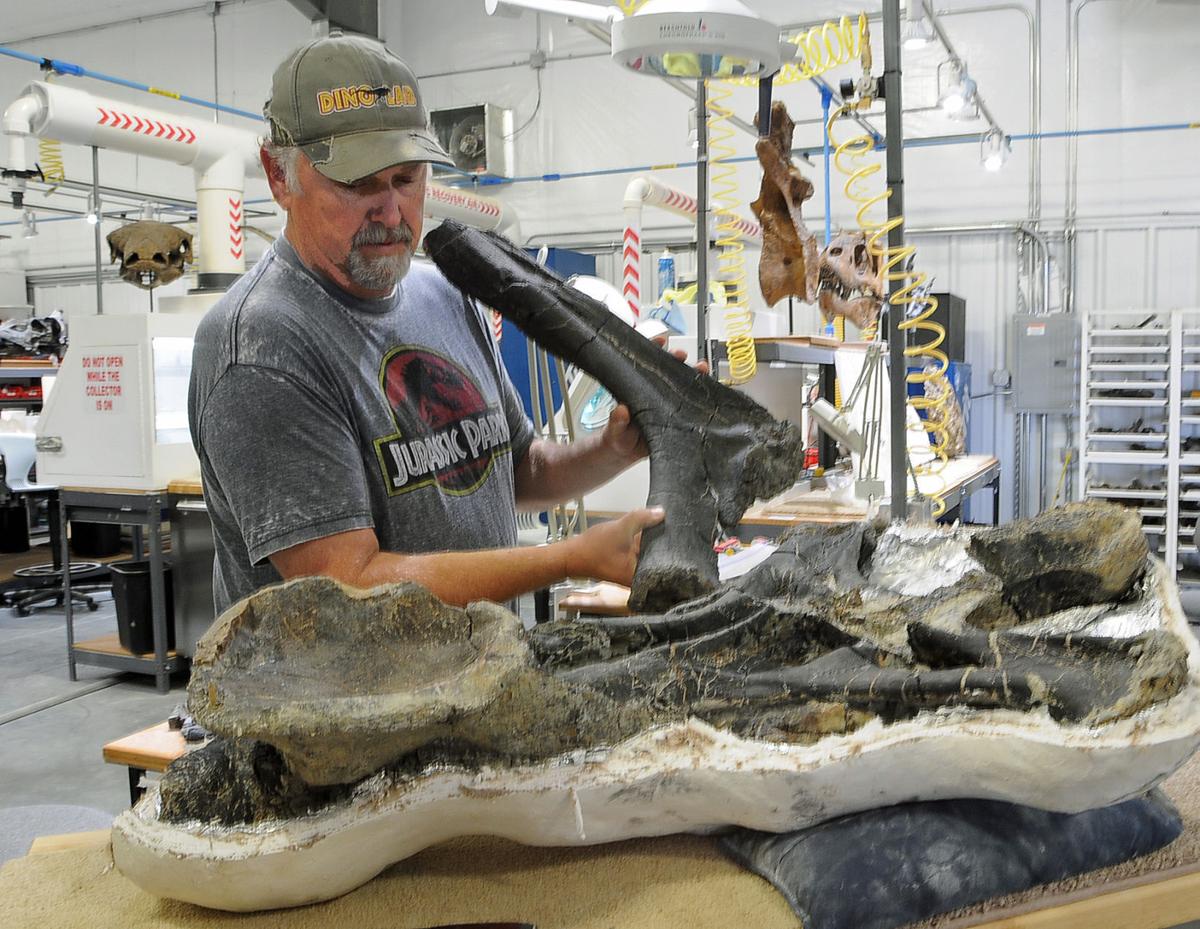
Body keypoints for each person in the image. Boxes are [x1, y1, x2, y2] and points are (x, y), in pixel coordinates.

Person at [189, 32, 671, 616]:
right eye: (358, 184)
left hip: (472, 683)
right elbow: (349, 586)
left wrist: (615, 448)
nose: (391, 212)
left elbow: (519, 470)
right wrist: (569, 557)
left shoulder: (444, 293)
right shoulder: (262, 346)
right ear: (277, 175)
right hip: (343, 705)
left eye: (406, 178)